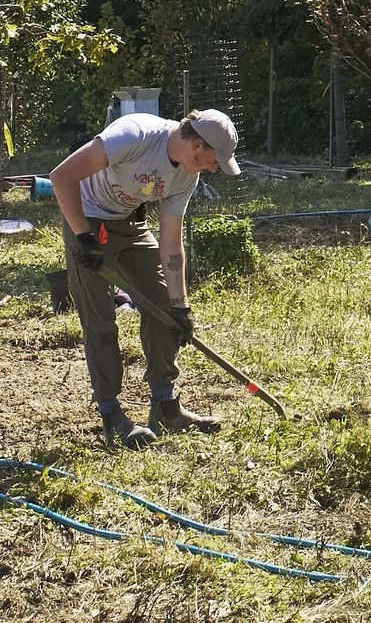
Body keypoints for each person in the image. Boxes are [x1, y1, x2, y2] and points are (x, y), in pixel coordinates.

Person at [49, 107, 241, 447]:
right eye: (214, 160)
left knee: (164, 308)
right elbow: (61, 177)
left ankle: (166, 407)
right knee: (101, 320)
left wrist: (180, 307)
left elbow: (170, 243)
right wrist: (82, 237)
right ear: (198, 145)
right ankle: (111, 415)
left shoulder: (186, 176)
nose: (213, 168)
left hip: (130, 224)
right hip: (87, 220)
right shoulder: (135, 134)